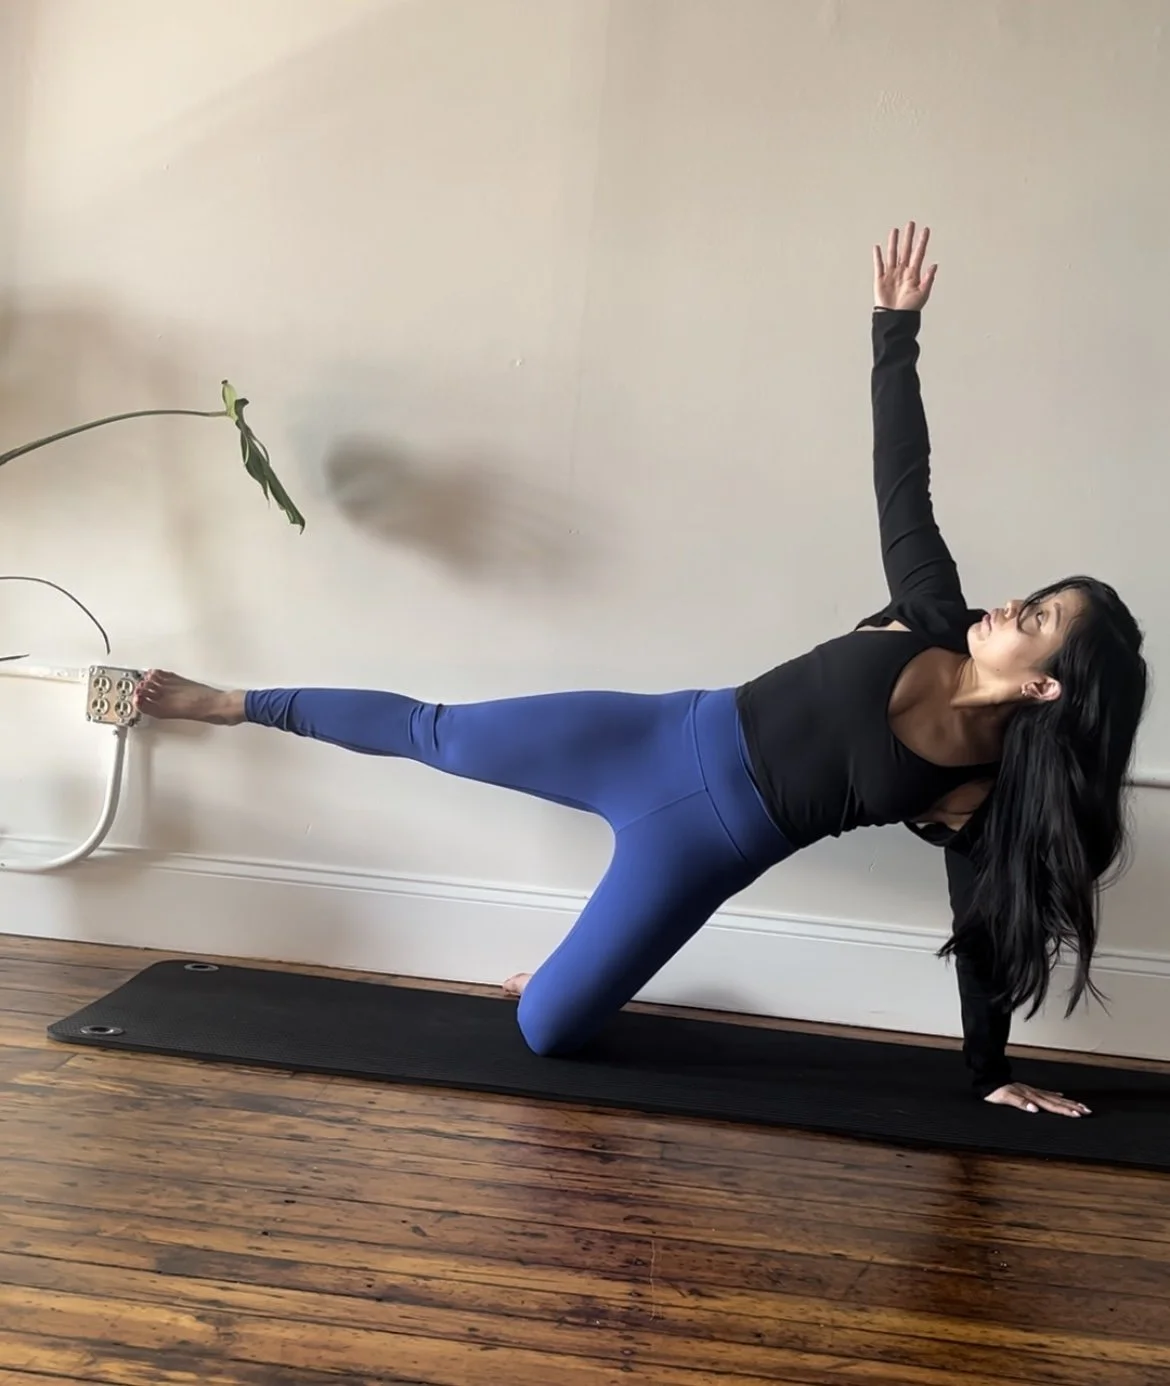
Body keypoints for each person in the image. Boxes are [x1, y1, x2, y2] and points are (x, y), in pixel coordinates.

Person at [134, 222, 1149, 1118]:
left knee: (548, 1030)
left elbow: (981, 926)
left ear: (1049, 684)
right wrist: (896, 330)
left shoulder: (978, 787)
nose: (1016, 604)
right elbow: (902, 477)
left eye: (1042, 617)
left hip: (698, 853)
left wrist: (985, 1073)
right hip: (651, 735)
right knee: (436, 732)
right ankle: (232, 703)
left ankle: (561, 972)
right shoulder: (933, 614)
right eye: (1038, 595)